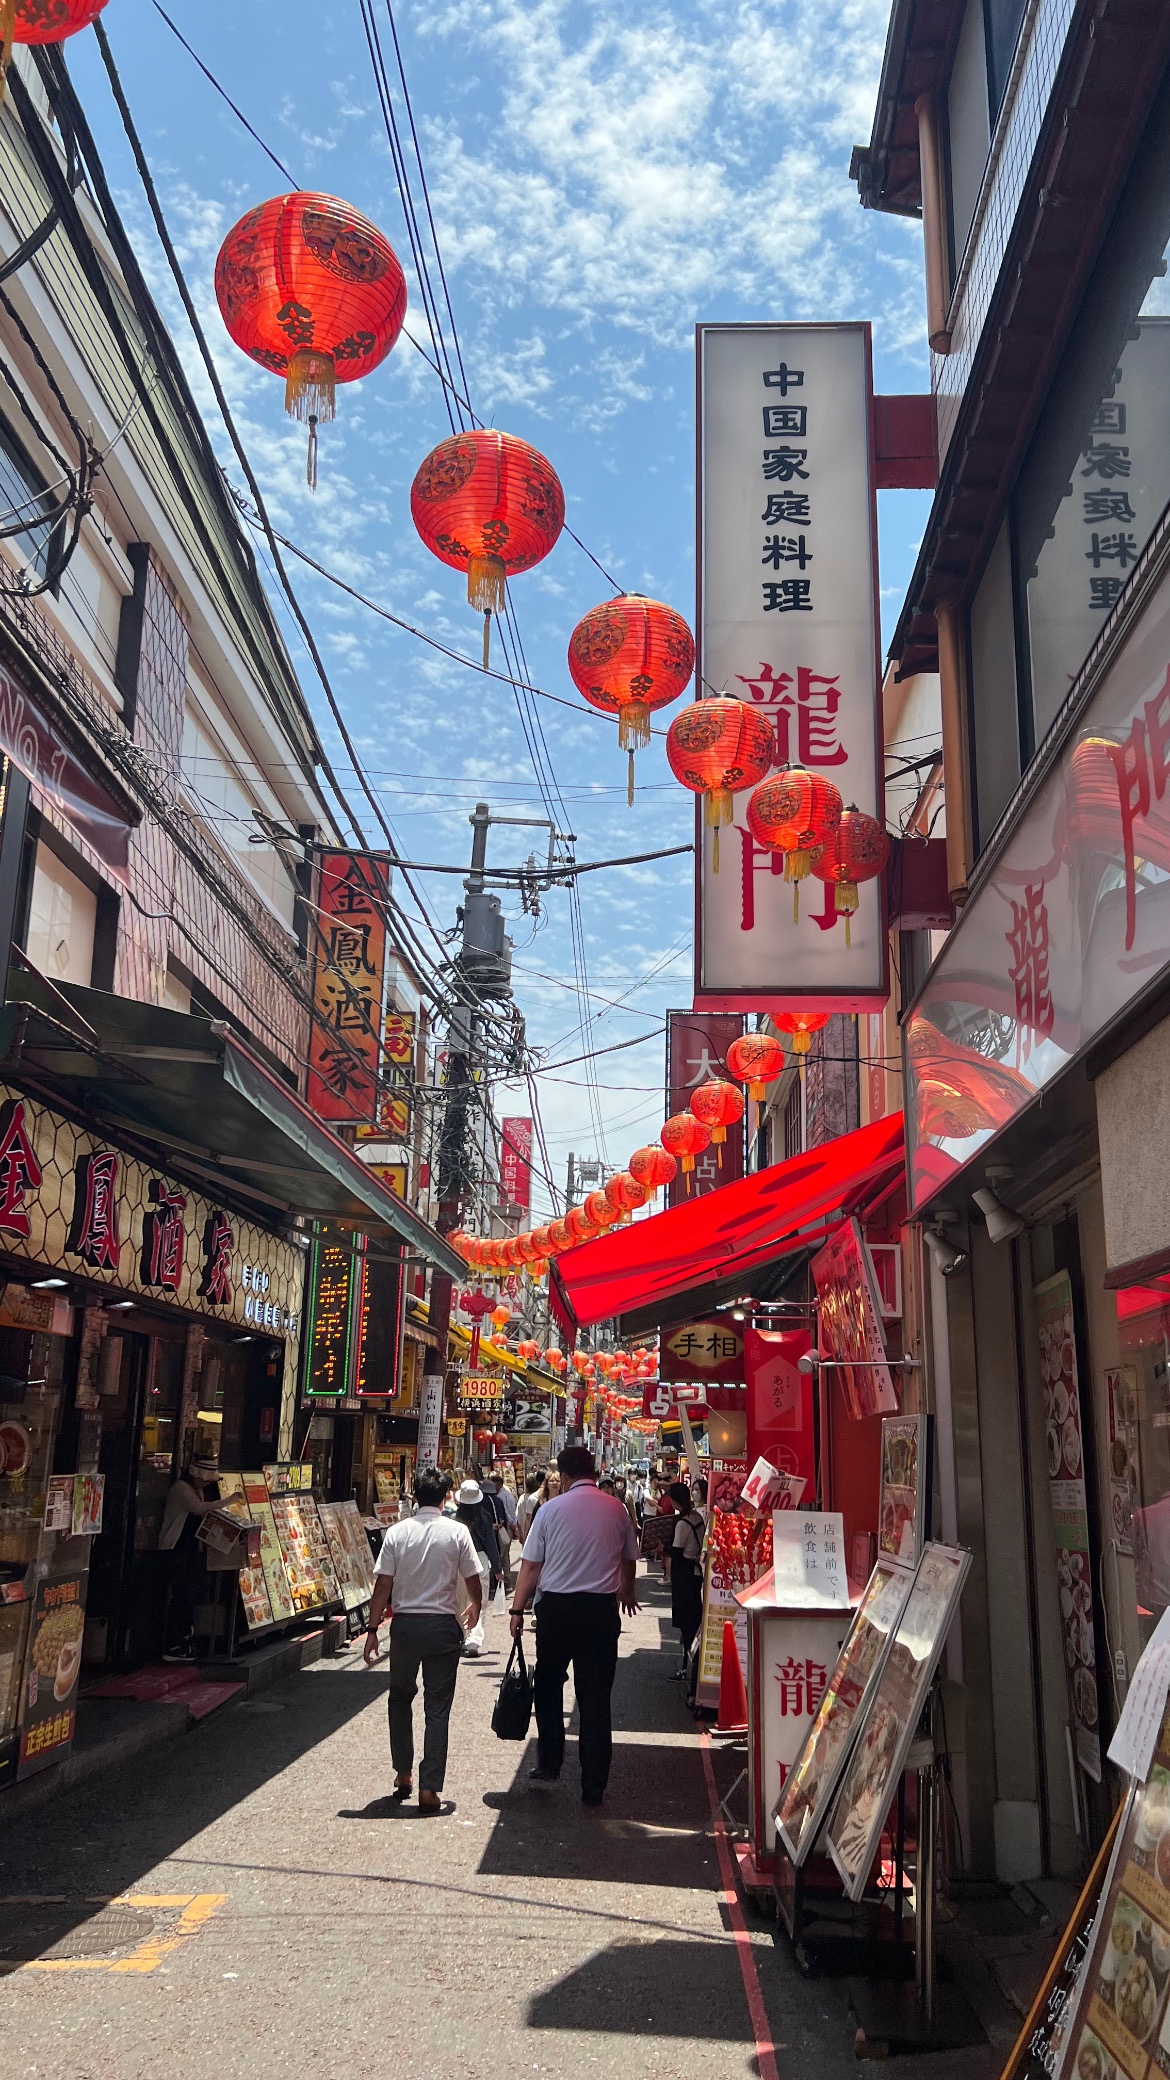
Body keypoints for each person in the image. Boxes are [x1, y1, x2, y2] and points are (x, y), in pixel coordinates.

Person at [509, 1446, 639, 1808]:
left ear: (564, 1477)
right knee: (596, 1698)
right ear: (594, 1472)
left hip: (556, 1612)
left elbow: (530, 1567)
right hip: (600, 1611)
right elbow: (630, 1558)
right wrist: (627, 1591)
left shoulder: (550, 1510)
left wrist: (517, 1609)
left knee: (549, 1686)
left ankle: (549, 1763)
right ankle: (593, 1784)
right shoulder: (616, 1509)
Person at [364, 1465, 483, 1813]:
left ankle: (403, 1772)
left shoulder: (397, 1533)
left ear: (415, 1496)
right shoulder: (457, 1532)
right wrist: (476, 1607)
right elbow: (473, 1576)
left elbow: (382, 1584)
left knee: (399, 1697)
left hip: (405, 1627)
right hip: (443, 1626)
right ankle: (430, 1788)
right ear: (447, 1496)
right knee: (437, 1708)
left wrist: (372, 1630)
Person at [158, 1461, 218, 1659]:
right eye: (205, 1479)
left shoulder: (195, 1490)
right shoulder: (181, 1489)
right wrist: (230, 1500)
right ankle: (173, 1644)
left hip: (190, 1550)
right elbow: (199, 1509)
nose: (207, 1484)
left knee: (189, 1596)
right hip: (175, 1550)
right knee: (181, 1596)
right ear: (196, 1475)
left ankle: (185, 1639)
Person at [667, 1481, 705, 1677]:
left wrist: (661, 1548)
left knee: (687, 1623)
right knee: (693, 1620)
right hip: (696, 1573)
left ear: (674, 1501)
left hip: (685, 1576)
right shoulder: (697, 1516)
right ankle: (692, 1666)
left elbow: (677, 1551)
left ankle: (692, 1668)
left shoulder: (682, 1523)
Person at [454, 1479, 497, 1653]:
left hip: (458, 1560)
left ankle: (462, 1635)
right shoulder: (485, 1516)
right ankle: (475, 1639)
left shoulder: (454, 1519)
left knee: (460, 1599)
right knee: (480, 1600)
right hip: (480, 1559)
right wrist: (498, 1568)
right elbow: (491, 1544)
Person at [487, 1473, 518, 1592]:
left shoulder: (505, 1496)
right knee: (503, 1556)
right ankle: (505, 1582)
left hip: (505, 1529)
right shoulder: (500, 1495)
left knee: (501, 1556)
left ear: (498, 1483)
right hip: (504, 1528)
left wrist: (513, 1528)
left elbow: (510, 1514)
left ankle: (504, 1582)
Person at [515, 1470, 543, 1542]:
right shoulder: (539, 1497)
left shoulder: (522, 1498)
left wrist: (520, 1534)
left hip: (526, 1533)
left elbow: (518, 1517)